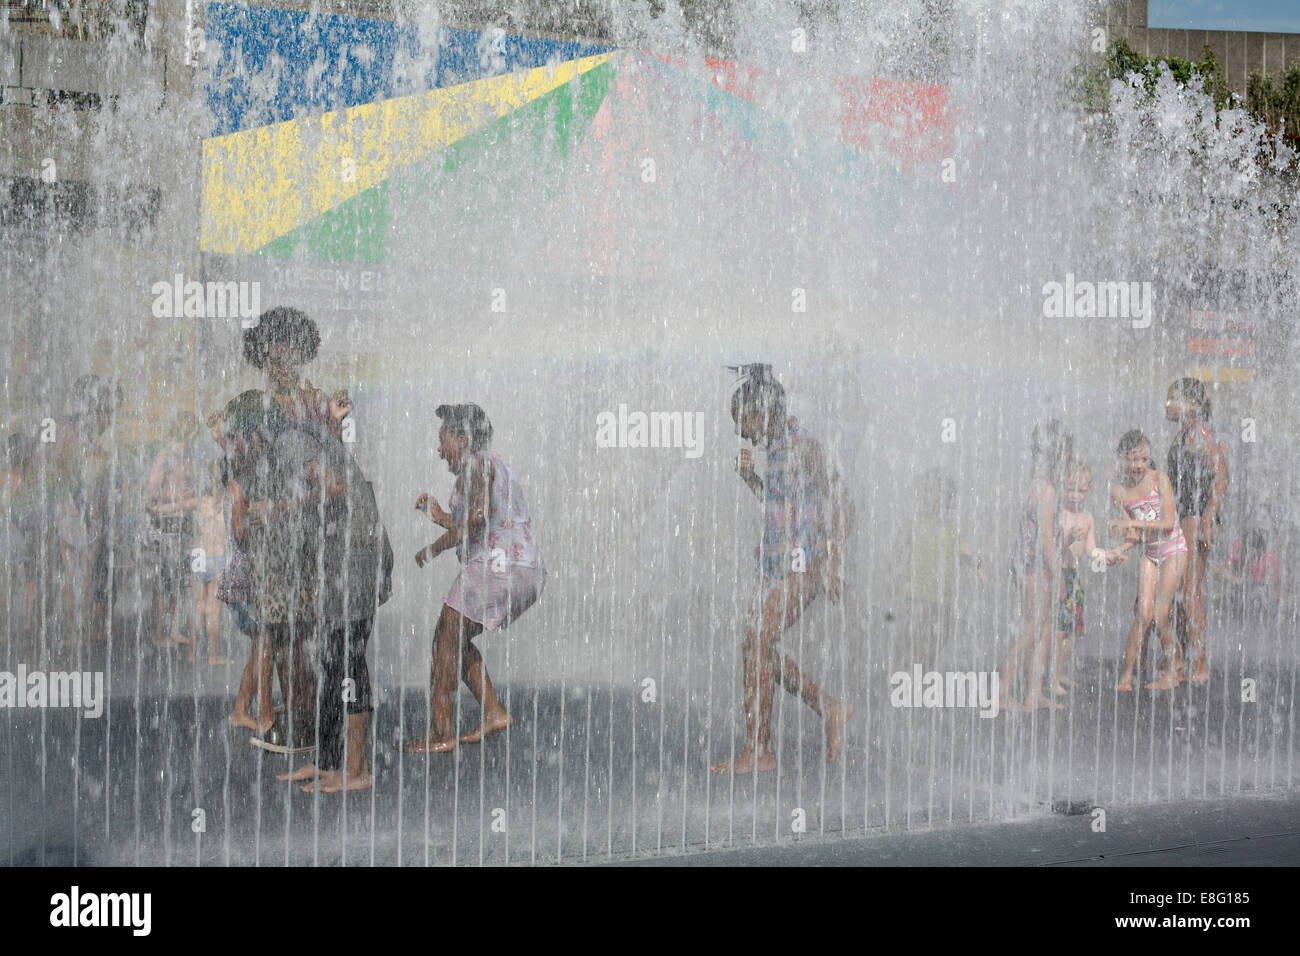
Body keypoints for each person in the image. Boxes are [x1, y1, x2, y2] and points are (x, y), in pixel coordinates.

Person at [709, 365, 852, 774]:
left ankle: (760, 751)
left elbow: (844, 501)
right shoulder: (775, 451)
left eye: (743, 421)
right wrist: (752, 478)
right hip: (774, 565)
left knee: (757, 640)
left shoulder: (804, 446)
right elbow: (780, 509)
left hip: (805, 564)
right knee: (755, 646)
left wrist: (832, 556)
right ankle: (827, 707)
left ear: (763, 412)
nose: (741, 432)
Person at [403, 404, 545, 754]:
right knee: (456, 639)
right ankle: (493, 712)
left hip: (500, 566)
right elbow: (471, 521)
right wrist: (439, 515)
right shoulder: (488, 466)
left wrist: (432, 550)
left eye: (443, 440)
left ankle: (440, 733)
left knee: (445, 639)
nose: (439, 450)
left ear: (462, 439)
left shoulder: (476, 463)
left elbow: (477, 520)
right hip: (525, 568)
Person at [998, 419, 1071, 713]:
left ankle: (1033, 693)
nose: (1067, 458)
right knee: (1031, 628)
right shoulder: (1047, 491)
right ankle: (1001, 692)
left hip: (1028, 566)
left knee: (1042, 628)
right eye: (1065, 452)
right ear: (1055, 452)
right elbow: (1044, 540)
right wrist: (1059, 576)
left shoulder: (1036, 485)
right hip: (1037, 568)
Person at [1109, 430, 1187, 692]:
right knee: (1143, 615)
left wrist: (1130, 521)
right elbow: (1135, 535)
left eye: (1143, 459)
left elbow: (1166, 523)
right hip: (1150, 553)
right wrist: (1120, 549)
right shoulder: (1118, 491)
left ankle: (1172, 669)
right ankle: (1126, 677)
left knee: (1160, 614)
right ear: (1121, 458)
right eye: (1132, 459)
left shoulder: (1159, 480)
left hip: (1173, 549)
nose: (1138, 465)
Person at [890, 466, 987, 667]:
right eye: (924, 491)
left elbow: (966, 552)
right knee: (922, 638)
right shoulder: (914, 523)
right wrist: (893, 574)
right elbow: (898, 548)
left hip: (942, 593)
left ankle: (918, 666)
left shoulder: (950, 527)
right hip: (917, 592)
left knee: (942, 636)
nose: (927, 496)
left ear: (945, 497)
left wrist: (979, 569)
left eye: (932, 492)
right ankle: (918, 676)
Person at [1165, 378, 1228, 684]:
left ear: (1187, 404)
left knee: (1189, 592)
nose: (1166, 405)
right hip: (1186, 515)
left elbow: (1222, 475)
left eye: (1171, 400)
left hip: (1194, 515)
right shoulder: (1187, 432)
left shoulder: (1200, 431)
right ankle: (1185, 659)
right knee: (1182, 592)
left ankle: (1199, 663)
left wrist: (1208, 516)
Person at [144, 411, 202, 652]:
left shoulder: (184, 457)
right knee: (162, 583)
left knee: (177, 582)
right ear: (187, 433)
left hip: (182, 526)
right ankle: (159, 634)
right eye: (193, 435)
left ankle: (172, 629)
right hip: (164, 527)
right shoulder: (165, 457)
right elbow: (150, 494)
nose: (194, 441)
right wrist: (177, 497)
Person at [1053, 459, 1110, 695]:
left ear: (1090, 489)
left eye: (1081, 490)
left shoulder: (1087, 518)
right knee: (1057, 631)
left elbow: (1091, 550)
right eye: (1069, 489)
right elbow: (1049, 549)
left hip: (1073, 577)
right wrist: (1067, 540)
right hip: (1055, 576)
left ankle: (1059, 671)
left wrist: (1110, 556)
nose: (1075, 495)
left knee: (1073, 631)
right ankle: (1051, 677)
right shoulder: (1058, 514)